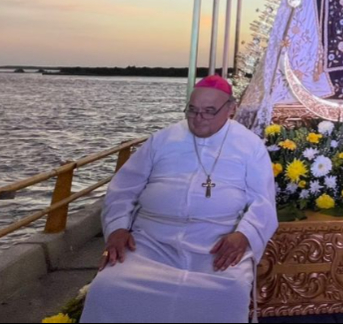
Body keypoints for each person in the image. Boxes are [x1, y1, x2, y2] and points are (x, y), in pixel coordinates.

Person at [81, 76, 278, 323]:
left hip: (214, 243)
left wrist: (244, 235)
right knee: (109, 286)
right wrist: (117, 228)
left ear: (230, 109)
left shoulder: (250, 146)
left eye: (209, 112)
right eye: (192, 110)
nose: (198, 118)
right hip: (151, 242)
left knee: (228, 291)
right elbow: (123, 189)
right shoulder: (162, 140)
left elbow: (264, 201)